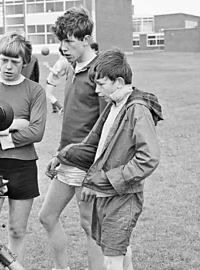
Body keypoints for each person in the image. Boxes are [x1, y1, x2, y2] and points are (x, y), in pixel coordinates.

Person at [57, 48, 163, 270]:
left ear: (119, 81)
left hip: (123, 195)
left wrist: (108, 179)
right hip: (106, 194)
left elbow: (148, 157)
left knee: (111, 258)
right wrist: (63, 156)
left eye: (101, 84)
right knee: (116, 251)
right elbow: (93, 145)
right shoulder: (114, 105)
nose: (96, 90)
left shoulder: (137, 109)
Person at [38, 7, 106, 270]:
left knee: (90, 227)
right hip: (68, 159)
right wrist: (59, 154)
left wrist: (96, 172)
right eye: (61, 41)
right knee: (47, 216)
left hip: (87, 164)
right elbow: (72, 121)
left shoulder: (100, 70)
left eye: (69, 41)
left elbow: (105, 126)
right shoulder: (72, 67)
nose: (63, 47)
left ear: (86, 40)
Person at [0, 32, 47, 266]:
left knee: (17, 230)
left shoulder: (35, 91)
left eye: (15, 62)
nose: (8, 66)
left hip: (23, 166)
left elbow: (37, 132)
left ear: (24, 62)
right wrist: (16, 124)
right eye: (4, 59)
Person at [42, 46, 71, 114]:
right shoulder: (65, 61)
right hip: (55, 79)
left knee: (49, 95)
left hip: (53, 80)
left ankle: (60, 107)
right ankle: (54, 109)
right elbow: (63, 72)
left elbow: (56, 72)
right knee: (50, 94)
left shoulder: (61, 62)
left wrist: (48, 67)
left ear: (60, 52)